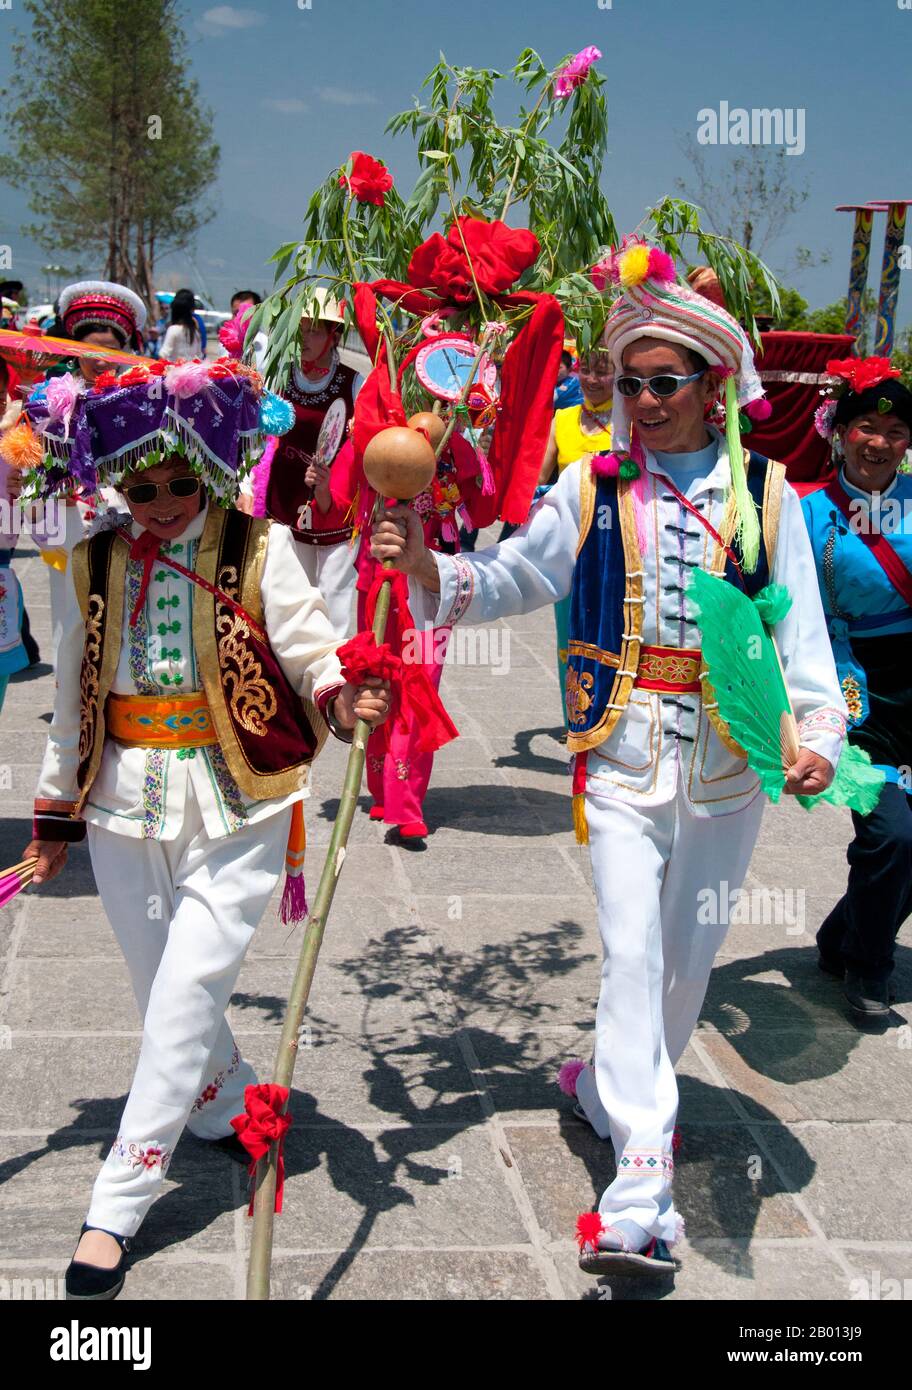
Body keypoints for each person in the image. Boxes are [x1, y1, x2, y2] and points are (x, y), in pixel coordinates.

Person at [372, 243, 846, 1278]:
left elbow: (800, 636)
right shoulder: (591, 484)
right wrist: (424, 563)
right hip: (621, 758)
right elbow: (509, 578)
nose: (641, 400)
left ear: (713, 387)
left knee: (685, 964)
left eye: (662, 383)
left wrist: (817, 737)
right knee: (633, 953)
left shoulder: (769, 496)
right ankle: (642, 1183)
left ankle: (601, 1088)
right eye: (628, 383)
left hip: (732, 769)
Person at [17, 357, 390, 1300]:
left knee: (183, 996)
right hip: (120, 809)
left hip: (243, 802)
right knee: (164, 996)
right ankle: (228, 1099)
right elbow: (70, 700)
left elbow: (312, 651)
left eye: (181, 481)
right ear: (118, 483)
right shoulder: (94, 559)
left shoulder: (258, 547)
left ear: (210, 468)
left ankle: (116, 1204)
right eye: (141, 487)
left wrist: (345, 699)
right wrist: (52, 819)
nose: (163, 502)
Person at [801, 358, 912, 1021]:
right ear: (840, 433)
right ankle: (868, 968)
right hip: (850, 687)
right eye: (867, 427)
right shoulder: (806, 514)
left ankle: (841, 936)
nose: (880, 442)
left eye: (897, 431)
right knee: (892, 834)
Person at [32, 281, 147, 666]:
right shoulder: (49, 403)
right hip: (68, 524)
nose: (100, 360)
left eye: (110, 350)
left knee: (126, 617)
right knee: (71, 621)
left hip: (131, 518)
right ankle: (68, 720)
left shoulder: (141, 398)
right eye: (89, 349)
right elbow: (33, 469)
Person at [252, 288, 363, 637]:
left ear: (334, 336)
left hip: (334, 506)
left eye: (315, 330)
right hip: (281, 501)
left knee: (335, 604)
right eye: (300, 329)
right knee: (283, 599)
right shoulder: (277, 377)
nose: (305, 339)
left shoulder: (353, 383)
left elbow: (364, 448)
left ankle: (337, 679)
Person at [538, 341, 615, 723]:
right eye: (587, 369)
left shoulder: (629, 421)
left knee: (612, 633)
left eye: (603, 371)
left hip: (615, 545)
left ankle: (612, 710)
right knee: (569, 638)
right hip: (571, 547)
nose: (593, 379)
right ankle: (576, 720)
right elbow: (539, 478)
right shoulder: (562, 419)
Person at [158, 288, 204, 361]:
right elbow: (199, 356)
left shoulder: (173, 330)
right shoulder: (195, 332)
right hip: (192, 371)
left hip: (174, 370)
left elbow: (163, 354)